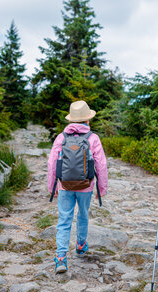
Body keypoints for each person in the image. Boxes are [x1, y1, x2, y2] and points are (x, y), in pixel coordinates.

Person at [47, 100, 108, 274]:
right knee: (82, 215)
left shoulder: (61, 137)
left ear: (72, 120)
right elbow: (101, 165)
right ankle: (81, 245)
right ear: (88, 120)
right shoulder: (93, 138)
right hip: (86, 186)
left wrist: (52, 186)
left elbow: (52, 163)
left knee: (64, 219)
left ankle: (60, 258)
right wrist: (101, 189)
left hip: (64, 185)